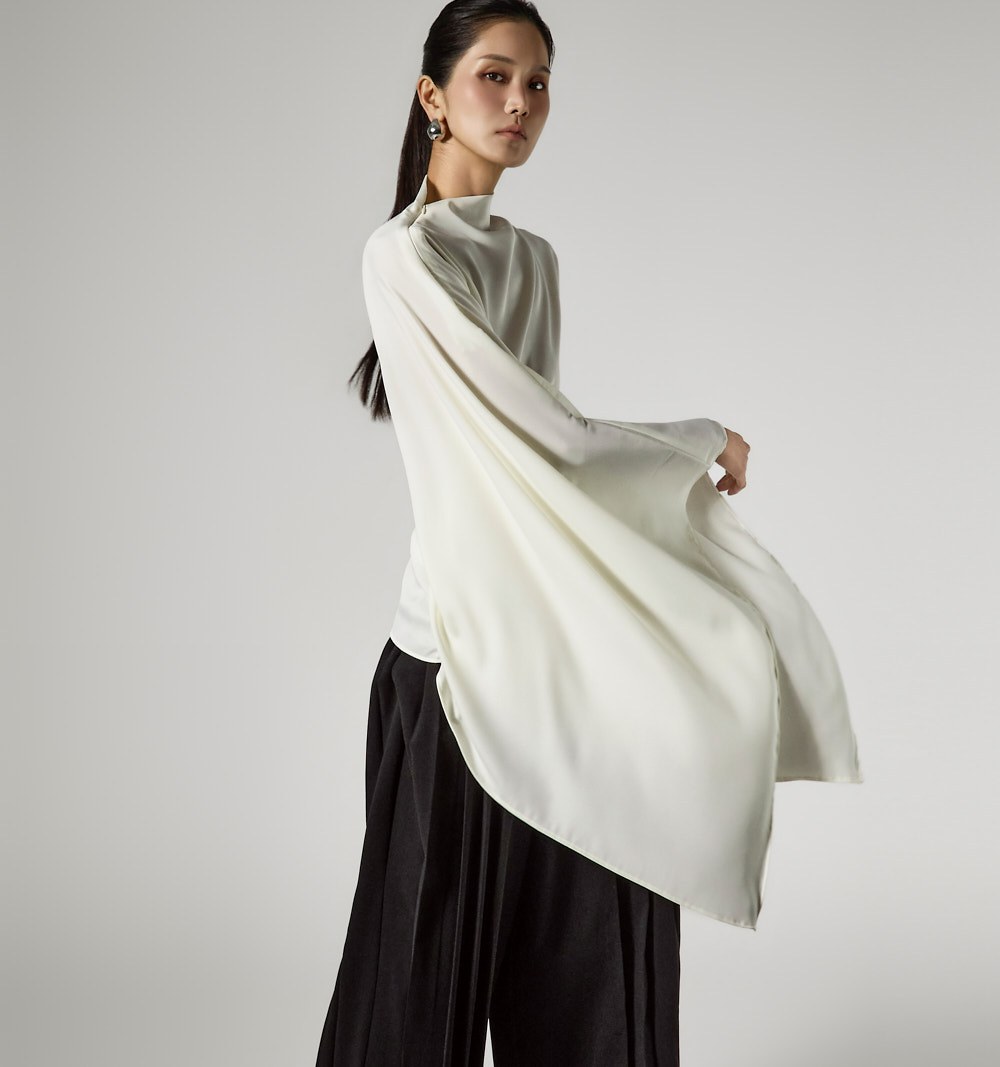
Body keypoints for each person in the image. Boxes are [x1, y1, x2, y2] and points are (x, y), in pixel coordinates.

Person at [316, 2, 863, 1064]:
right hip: (453, 664)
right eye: (494, 75)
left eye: (537, 82)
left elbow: (549, 473)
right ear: (433, 96)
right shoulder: (402, 257)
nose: (520, 101)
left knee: (598, 979)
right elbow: (554, 439)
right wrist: (704, 436)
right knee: (413, 996)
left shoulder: (534, 259)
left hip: (557, 657)